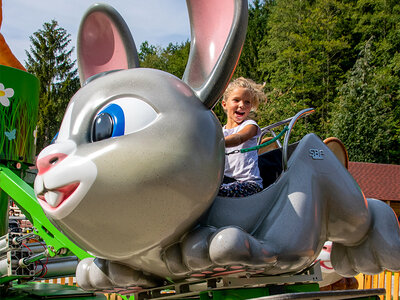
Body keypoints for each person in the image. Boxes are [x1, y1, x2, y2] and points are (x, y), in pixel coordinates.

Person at [218, 77, 265, 197]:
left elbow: (239, 138)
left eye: (247, 102)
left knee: (216, 193)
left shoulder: (250, 126)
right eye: (236, 100)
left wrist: (215, 142)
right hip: (226, 181)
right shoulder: (220, 132)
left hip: (249, 185)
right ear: (224, 104)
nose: (242, 105)